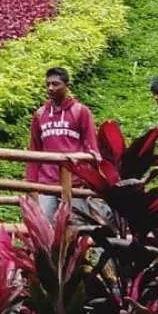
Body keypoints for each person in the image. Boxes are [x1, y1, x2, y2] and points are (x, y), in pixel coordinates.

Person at [26, 66, 99, 220]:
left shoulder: (81, 111)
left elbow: (91, 146)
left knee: (76, 227)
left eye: (55, 84)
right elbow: (34, 150)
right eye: (48, 84)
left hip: (76, 183)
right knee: (45, 227)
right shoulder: (40, 114)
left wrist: (92, 179)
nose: (50, 88)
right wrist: (31, 184)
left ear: (67, 86)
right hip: (46, 183)